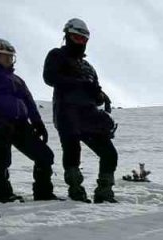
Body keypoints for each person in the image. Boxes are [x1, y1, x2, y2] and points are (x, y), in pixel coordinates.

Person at [42, 18, 118, 203]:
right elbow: (50, 77)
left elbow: (95, 90)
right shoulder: (57, 55)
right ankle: (76, 191)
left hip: (89, 116)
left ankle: (104, 193)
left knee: (109, 153)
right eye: (76, 38)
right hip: (67, 112)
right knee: (72, 150)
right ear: (67, 36)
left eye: (84, 40)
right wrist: (79, 83)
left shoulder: (88, 67)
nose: (80, 43)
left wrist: (100, 96)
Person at [0, 37, 59, 207]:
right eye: (6, 56)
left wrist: (37, 123)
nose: (10, 60)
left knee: (45, 155)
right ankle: (4, 195)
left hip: (20, 125)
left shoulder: (17, 80)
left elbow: (29, 101)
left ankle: (43, 192)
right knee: (0, 161)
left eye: (11, 57)